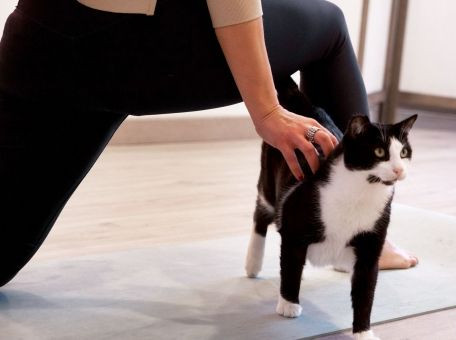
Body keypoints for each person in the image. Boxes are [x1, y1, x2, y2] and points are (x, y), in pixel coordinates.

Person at [0, 0, 417, 287]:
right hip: (132, 44)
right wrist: (267, 110)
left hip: (39, 39)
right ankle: (362, 240)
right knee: (327, 27)